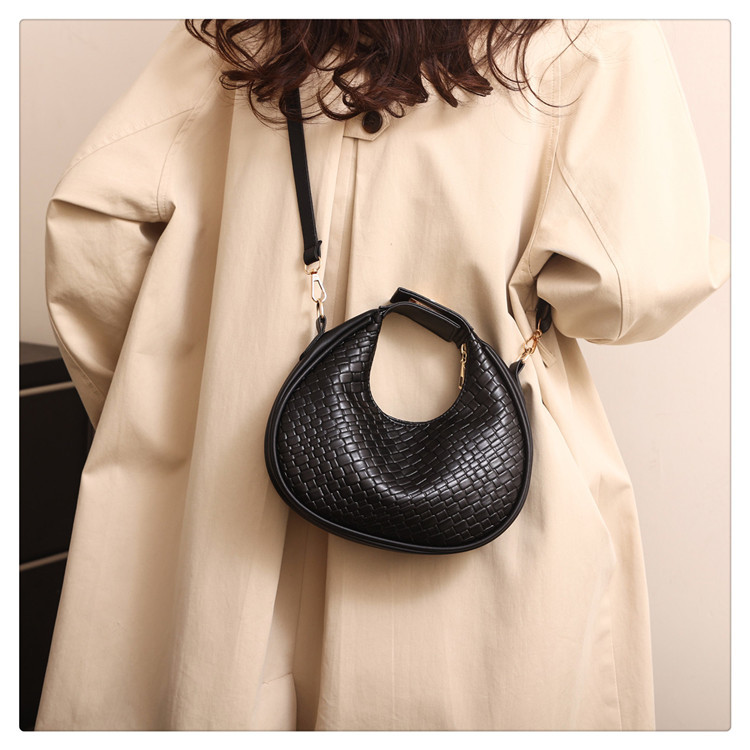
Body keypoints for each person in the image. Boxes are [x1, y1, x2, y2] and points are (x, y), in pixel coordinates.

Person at [36, 20, 728, 730]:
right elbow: (632, 288)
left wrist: (175, 416)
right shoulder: (588, 29)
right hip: (491, 532)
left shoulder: (244, 30)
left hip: (225, 519)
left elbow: (95, 232)